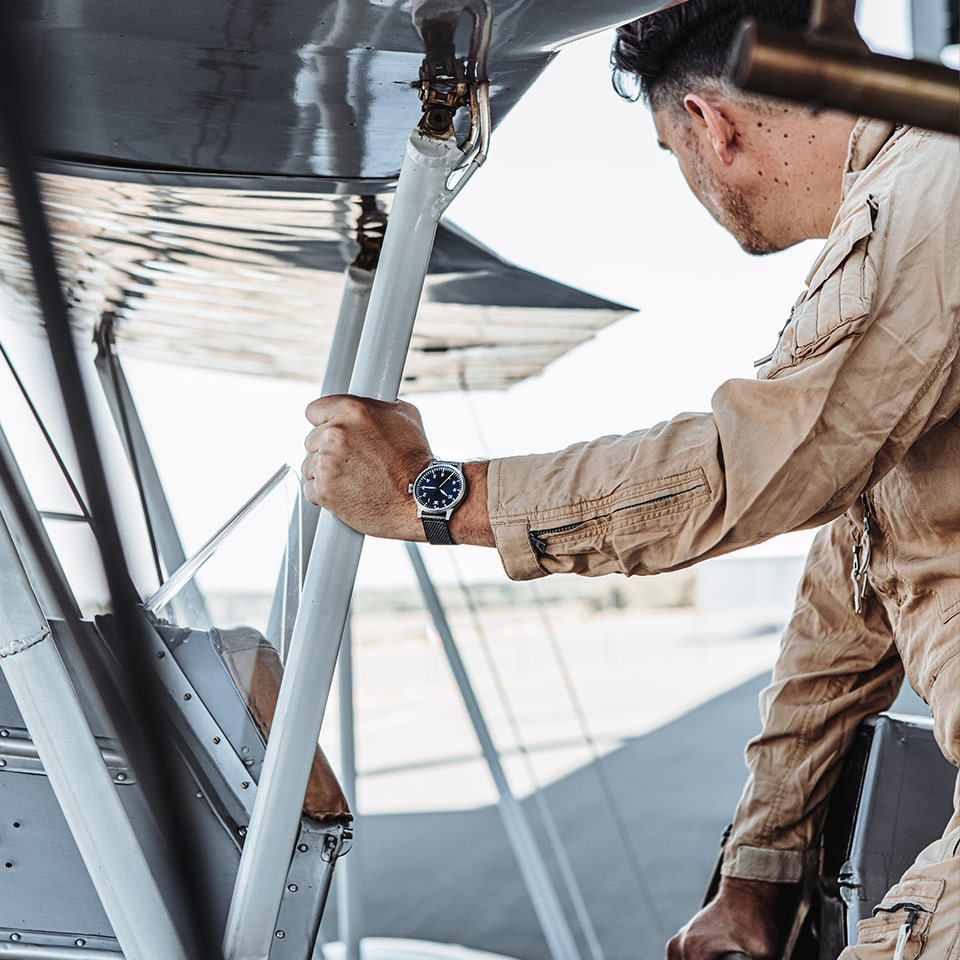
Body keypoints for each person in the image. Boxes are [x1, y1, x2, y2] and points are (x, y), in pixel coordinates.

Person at [300, 1, 960, 956]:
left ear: (709, 125)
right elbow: (849, 595)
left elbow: (751, 467)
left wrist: (434, 497)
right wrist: (759, 871)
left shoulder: (935, 183)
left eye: (666, 152)